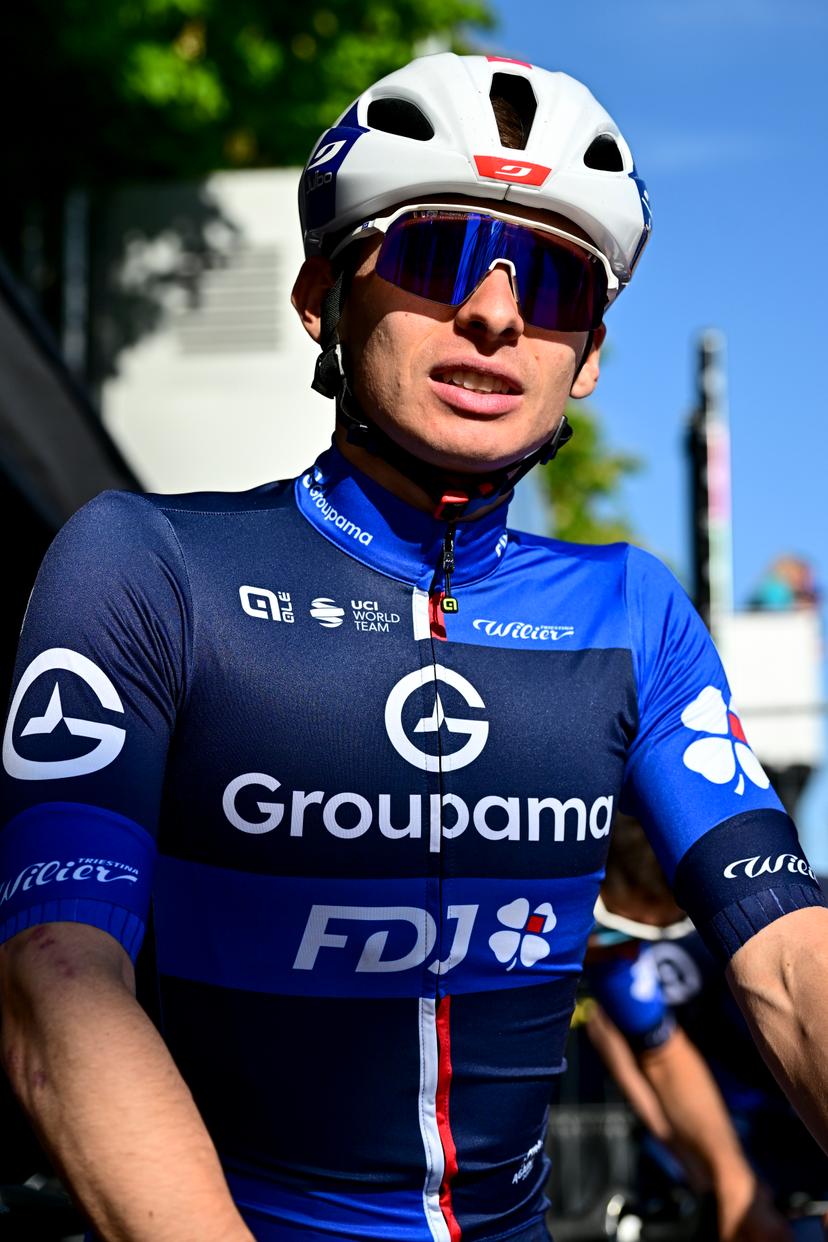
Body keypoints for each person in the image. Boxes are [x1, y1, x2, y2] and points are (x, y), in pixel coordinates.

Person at [0, 51, 827, 1242]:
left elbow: (792, 961)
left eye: (550, 281)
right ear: (320, 295)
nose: (494, 313)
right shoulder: (148, 566)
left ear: (587, 355)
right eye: (437, 255)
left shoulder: (636, 613)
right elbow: (55, 983)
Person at [586, 817, 828, 1235]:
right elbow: (647, 1044)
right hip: (716, 1118)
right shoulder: (612, 940)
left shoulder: (796, 911)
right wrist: (716, 1171)